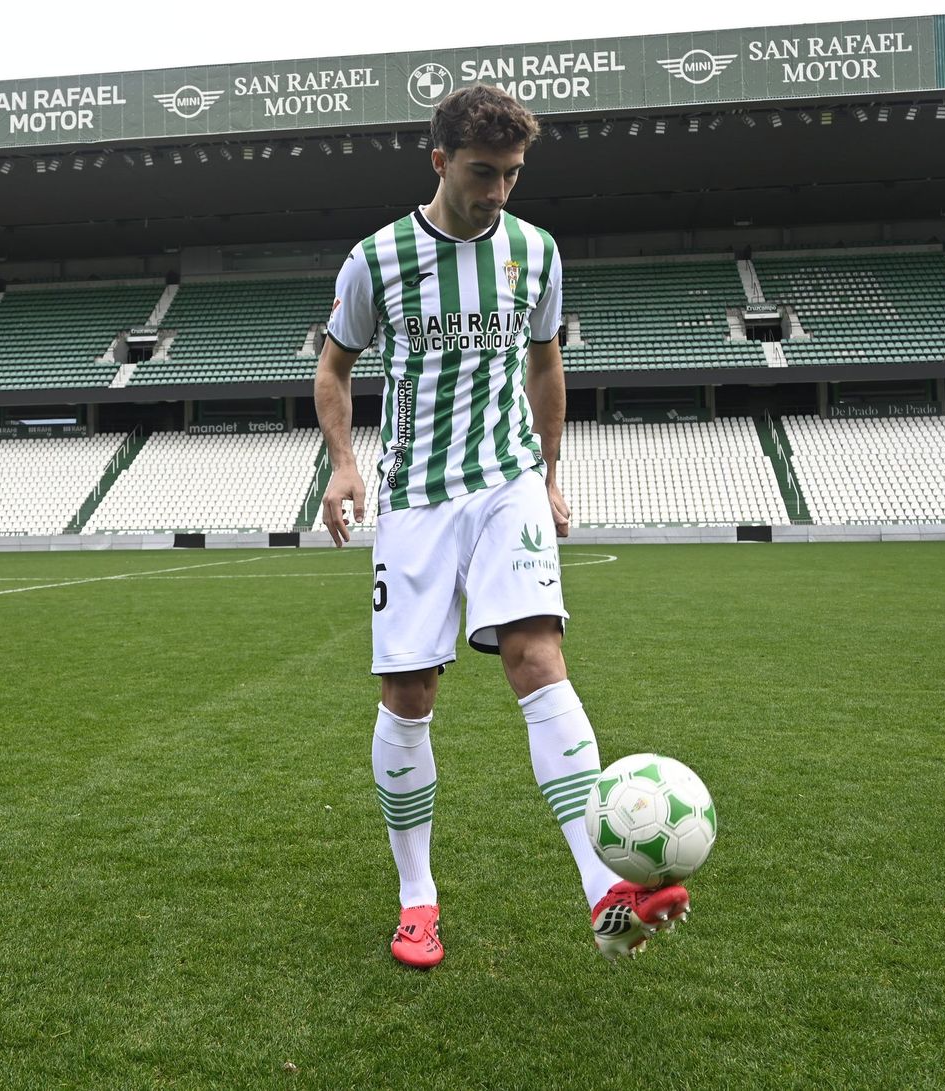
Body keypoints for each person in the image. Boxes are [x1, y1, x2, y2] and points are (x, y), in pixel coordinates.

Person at [314, 84, 688, 968]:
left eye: (512, 175)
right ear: (440, 161)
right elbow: (334, 369)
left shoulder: (535, 252)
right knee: (409, 696)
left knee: (537, 655)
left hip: (507, 480)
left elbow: (546, 364)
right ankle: (417, 896)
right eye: (483, 173)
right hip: (415, 493)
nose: (498, 192)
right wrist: (342, 464)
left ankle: (607, 889)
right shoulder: (378, 258)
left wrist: (551, 477)